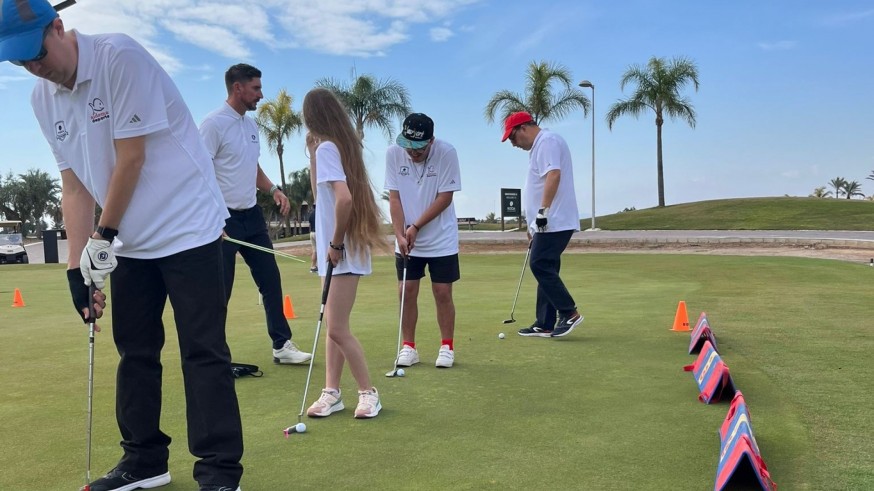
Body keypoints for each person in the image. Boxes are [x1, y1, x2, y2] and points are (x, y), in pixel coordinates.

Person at [0, 2, 244, 490]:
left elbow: (129, 158)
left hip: (188, 227)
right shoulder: (41, 100)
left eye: (36, 51)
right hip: (131, 242)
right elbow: (75, 185)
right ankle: (145, 460)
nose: (33, 66)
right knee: (135, 350)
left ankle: (219, 472)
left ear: (58, 26)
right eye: (18, 60)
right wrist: (76, 268)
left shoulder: (119, 58)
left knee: (202, 351)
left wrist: (103, 237)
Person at [200, 63, 312, 365]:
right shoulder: (212, 124)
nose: (261, 95)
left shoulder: (250, 126)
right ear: (238, 88)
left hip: (252, 216)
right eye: (256, 89)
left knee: (270, 279)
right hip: (223, 220)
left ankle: (281, 345)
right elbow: (200, 171)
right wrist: (212, 217)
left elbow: (252, 167)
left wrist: (273, 189)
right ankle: (213, 353)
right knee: (220, 290)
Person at [302, 88, 384, 419]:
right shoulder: (335, 148)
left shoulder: (328, 149)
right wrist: (310, 154)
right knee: (334, 324)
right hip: (339, 250)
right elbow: (321, 195)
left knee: (336, 328)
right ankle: (331, 392)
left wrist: (335, 244)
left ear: (312, 118)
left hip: (342, 251)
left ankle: (368, 393)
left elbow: (344, 200)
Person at [385, 113, 462, 369]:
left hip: (441, 237)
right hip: (406, 238)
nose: (412, 152)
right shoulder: (394, 154)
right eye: (408, 145)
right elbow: (394, 199)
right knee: (406, 292)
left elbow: (445, 197)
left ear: (431, 141)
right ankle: (408, 347)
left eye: (418, 147)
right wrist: (399, 233)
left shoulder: (447, 153)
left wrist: (416, 226)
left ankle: (446, 346)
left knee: (442, 292)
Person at [502, 111, 583, 338]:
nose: (513, 143)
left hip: (553, 220)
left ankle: (569, 313)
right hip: (546, 222)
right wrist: (532, 225)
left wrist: (543, 213)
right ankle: (545, 322)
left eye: (513, 137)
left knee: (539, 264)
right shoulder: (541, 145)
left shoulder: (547, 141)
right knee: (547, 266)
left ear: (524, 128)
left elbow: (553, 175)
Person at [308, 204, 318, 273]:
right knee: (322, 250)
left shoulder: (311, 214)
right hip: (318, 233)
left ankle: (313, 266)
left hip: (312, 233)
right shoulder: (319, 213)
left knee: (314, 250)